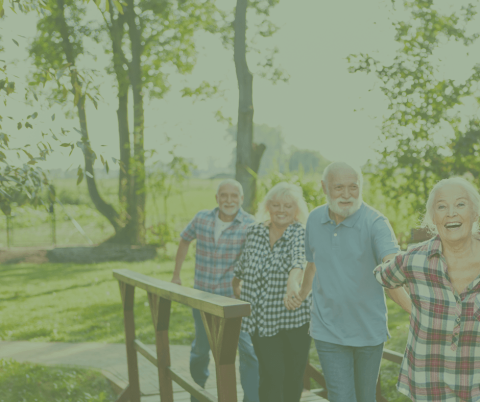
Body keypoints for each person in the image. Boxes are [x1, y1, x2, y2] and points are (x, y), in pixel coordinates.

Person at [287, 161, 411, 402]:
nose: (346, 195)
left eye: (353, 187)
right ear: (324, 187)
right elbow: (313, 264)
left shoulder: (376, 222)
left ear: (361, 187)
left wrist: (416, 311)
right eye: (338, 187)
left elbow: (392, 269)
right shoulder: (313, 219)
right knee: (341, 397)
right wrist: (301, 293)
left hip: (368, 330)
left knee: (365, 397)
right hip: (328, 328)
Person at [374, 177, 480, 402]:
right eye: (442, 206)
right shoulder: (414, 259)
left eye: (460, 204)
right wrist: (415, 312)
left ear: (475, 212)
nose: (451, 213)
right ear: (433, 217)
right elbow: (383, 276)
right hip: (429, 384)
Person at [171, 179, 259, 402]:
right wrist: (176, 275)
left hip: (235, 302)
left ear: (241, 199)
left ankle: (252, 398)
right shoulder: (202, 218)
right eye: (224, 195)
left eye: (234, 196)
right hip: (202, 297)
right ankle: (197, 393)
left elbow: (256, 260)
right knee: (201, 349)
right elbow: (184, 239)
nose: (229, 200)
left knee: (249, 352)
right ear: (217, 198)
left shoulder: (250, 224)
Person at [232, 182, 312, 402]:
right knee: (271, 375)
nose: (281, 210)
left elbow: (299, 260)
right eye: (276, 205)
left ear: (296, 209)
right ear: (268, 207)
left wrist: (292, 285)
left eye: (287, 205)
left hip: (295, 318)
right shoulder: (255, 231)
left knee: (293, 376)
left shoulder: (300, 232)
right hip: (262, 319)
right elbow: (243, 264)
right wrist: (235, 284)